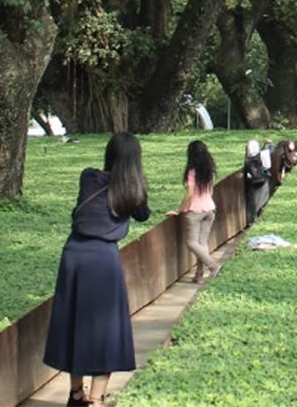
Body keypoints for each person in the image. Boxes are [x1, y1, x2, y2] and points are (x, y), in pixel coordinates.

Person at [44, 132, 151, 406]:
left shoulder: (88, 177)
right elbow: (143, 215)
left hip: (74, 255)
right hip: (104, 260)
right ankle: (96, 399)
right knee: (105, 330)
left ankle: (76, 393)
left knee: (74, 322)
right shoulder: (132, 190)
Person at [166, 140, 220, 283]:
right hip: (210, 209)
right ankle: (199, 275)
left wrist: (179, 210)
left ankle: (213, 266)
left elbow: (190, 194)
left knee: (191, 243)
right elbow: (211, 189)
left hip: (195, 211)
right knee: (202, 244)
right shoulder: (210, 170)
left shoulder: (192, 172)